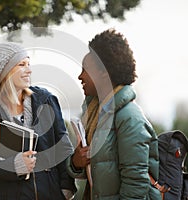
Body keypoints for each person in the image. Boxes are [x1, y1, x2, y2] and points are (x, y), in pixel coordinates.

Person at [0, 42, 76, 200]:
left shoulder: (46, 100)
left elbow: (64, 147)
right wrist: (14, 166)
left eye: (29, 64)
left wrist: (66, 189)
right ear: (4, 72)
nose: (29, 70)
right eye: (22, 64)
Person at [66, 29, 161, 199]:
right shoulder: (96, 114)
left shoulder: (129, 118)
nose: (80, 76)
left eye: (86, 69)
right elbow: (97, 171)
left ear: (104, 72)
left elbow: (136, 187)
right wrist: (76, 162)